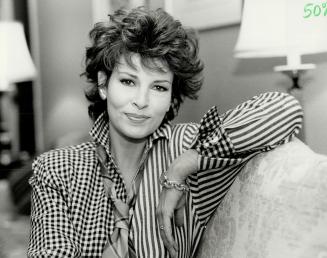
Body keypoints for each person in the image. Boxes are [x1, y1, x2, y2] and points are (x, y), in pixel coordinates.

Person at [27, 7, 303, 258]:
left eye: (158, 87)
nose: (142, 101)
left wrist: (182, 167)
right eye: (127, 81)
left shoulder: (189, 146)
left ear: (172, 97)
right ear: (103, 84)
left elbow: (285, 109)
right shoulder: (55, 169)